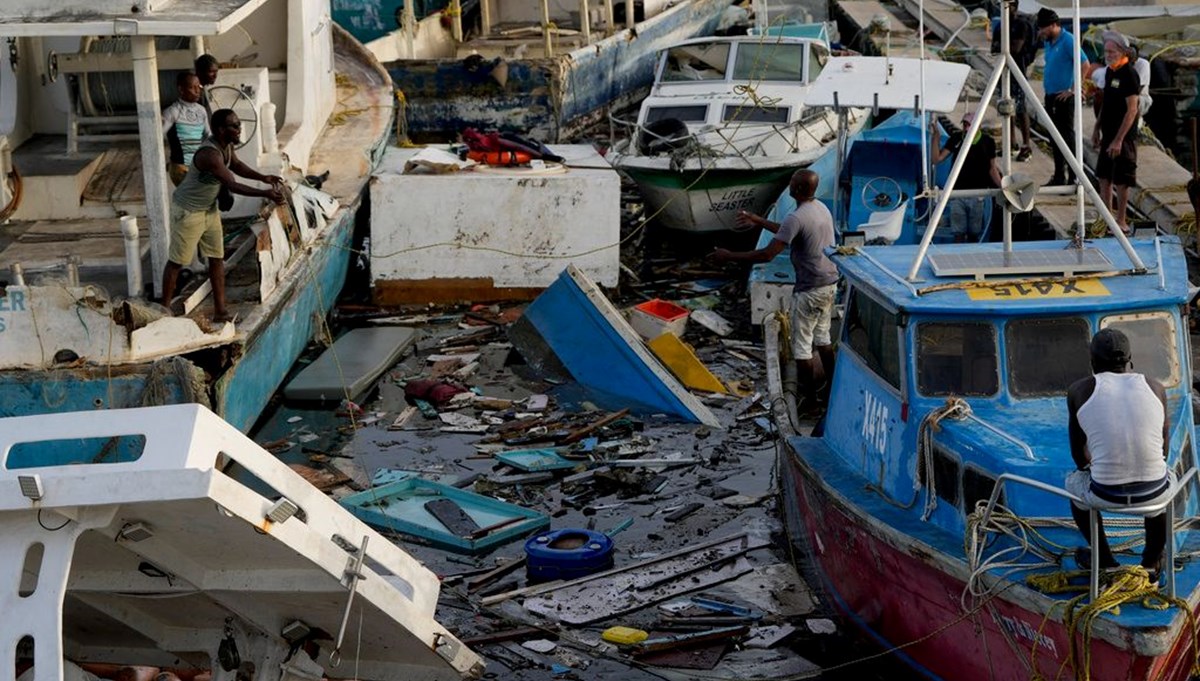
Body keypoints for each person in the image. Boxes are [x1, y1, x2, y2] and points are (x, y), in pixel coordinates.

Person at [712, 169, 838, 407]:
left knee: (801, 349)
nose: (789, 185)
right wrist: (758, 220)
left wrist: (728, 256)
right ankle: (832, 390)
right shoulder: (820, 208)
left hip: (809, 290)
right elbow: (789, 231)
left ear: (797, 190)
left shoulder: (797, 217)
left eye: (791, 182)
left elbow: (767, 254)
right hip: (829, 284)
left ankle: (810, 400)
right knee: (823, 338)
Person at [1066, 328, 1172, 581]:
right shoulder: (1156, 388)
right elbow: (1164, 451)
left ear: (1092, 361)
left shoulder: (1079, 391)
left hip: (1105, 494)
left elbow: (1079, 459)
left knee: (1072, 485)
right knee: (1165, 480)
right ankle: (1151, 561)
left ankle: (1105, 562)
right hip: (1153, 495)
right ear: (1129, 359)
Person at [160, 108, 285, 322]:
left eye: (238, 125)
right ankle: (163, 310)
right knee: (177, 261)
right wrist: (266, 193)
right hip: (189, 211)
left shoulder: (225, 146)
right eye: (234, 126)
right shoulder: (209, 154)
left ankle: (220, 311)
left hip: (208, 209)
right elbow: (232, 184)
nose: (239, 129)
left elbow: (236, 165)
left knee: (217, 257)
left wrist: (263, 177)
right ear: (220, 129)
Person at [1092, 31, 1142, 233]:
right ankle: (1108, 216)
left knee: (1123, 179)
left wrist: (1119, 140)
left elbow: (1132, 109)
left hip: (1123, 137)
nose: (1108, 54)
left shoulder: (1129, 74)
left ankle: (1121, 220)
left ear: (1122, 52)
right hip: (1108, 133)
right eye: (1106, 51)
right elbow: (1106, 101)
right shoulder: (1110, 71)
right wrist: (1097, 127)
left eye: (1112, 51)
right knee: (1104, 176)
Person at [931, 110, 1001, 241]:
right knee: (958, 233)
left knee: (975, 233)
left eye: (970, 125)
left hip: (977, 195)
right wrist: (936, 138)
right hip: (958, 194)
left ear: (978, 126)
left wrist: (1002, 187)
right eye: (965, 125)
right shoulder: (957, 139)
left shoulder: (988, 142)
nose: (967, 128)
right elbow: (937, 159)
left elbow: (992, 169)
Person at [1037, 8, 1089, 186]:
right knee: (1053, 136)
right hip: (1050, 95)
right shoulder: (1049, 42)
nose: (1041, 32)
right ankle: (1059, 175)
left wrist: (1074, 88)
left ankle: (1074, 176)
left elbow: (1085, 64)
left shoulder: (1068, 40)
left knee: (1067, 136)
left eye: (1043, 28)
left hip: (1064, 97)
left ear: (1053, 25)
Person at [990, 3, 1036, 161]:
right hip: (1003, 71)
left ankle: (1026, 145)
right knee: (1006, 106)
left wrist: (1003, 45)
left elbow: (1016, 48)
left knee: (1021, 109)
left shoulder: (1021, 25)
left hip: (1018, 70)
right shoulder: (1001, 25)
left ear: (1014, 7)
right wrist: (1003, 45)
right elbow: (994, 48)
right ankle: (1011, 143)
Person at [162, 72, 211, 186]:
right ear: (181, 89)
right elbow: (157, 137)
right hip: (180, 168)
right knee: (193, 199)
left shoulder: (201, 110)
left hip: (197, 166)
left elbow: (208, 136)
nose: (197, 91)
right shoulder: (172, 111)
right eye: (191, 87)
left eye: (198, 87)